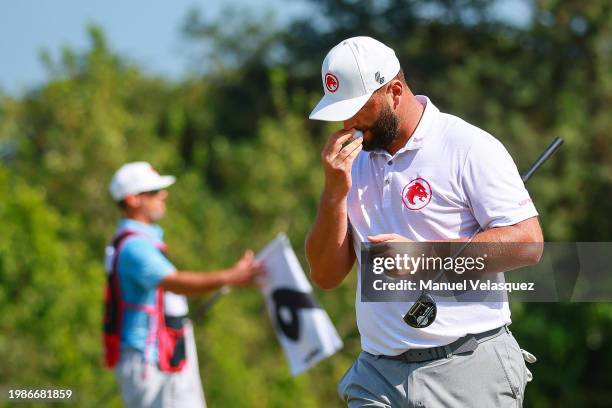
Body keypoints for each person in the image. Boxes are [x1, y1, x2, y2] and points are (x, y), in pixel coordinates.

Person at [305, 36, 543, 407]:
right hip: (377, 374)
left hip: (466, 365)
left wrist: (422, 259)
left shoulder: (467, 146)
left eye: (355, 109)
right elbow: (325, 275)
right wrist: (334, 191)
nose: (347, 123)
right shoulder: (353, 164)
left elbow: (528, 242)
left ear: (395, 92)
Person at [104, 161, 263, 408]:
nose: (163, 195)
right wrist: (232, 276)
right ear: (133, 199)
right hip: (150, 364)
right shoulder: (135, 247)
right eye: (154, 192)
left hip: (162, 358)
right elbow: (176, 283)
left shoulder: (137, 241)